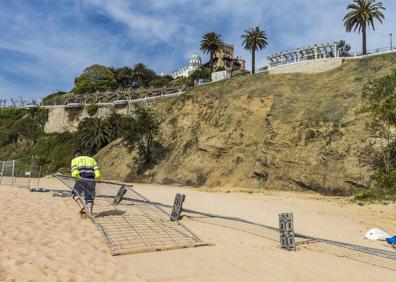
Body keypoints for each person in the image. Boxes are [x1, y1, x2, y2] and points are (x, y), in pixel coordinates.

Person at [71, 150, 101, 216]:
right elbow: (96, 169)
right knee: (89, 196)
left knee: (75, 193)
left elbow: (74, 170)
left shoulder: (75, 160)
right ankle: (90, 213)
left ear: (76, 155)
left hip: (81, 178)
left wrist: (77, 176)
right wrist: (97, 178)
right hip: (91, 180)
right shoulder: (91, 159)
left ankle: (82, 206)